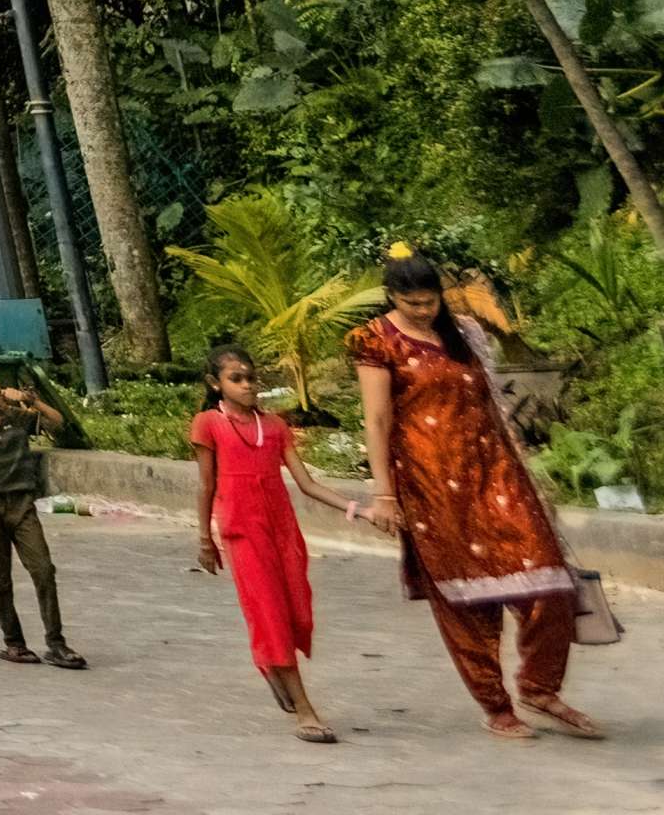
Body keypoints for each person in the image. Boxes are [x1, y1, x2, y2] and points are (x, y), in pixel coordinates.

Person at [353, 249, 601, 741]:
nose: (423, 311)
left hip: (495, 471)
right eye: (412, 303)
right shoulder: (375, 340)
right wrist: (384, 494)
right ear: (392, 297)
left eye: (430, 301)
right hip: (429, 482)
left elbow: (494, 405)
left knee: (548, 579)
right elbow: (378, 419)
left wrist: (530, 476)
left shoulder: (464, 333)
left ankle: (539, 686)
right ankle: (495, 705)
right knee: (465, 599)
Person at [193, 342, 367, 738]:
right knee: (269, 614)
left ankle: (273, 666)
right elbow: (205, 486)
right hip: (242, 530)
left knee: (297, 613)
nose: (247, 386)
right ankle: (305, 709)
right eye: (235, 379)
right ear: (215, 384)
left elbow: (307, 484)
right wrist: (206, 539)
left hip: (282, 528)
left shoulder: (273, 426)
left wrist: (359, 509)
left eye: (251, 378)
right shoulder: (209, 424)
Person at [0, 360, 84, 673]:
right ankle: (14, 643)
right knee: (0, 577)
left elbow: (56, 423)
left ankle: (56, 643)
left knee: (43, 569)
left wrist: (31, 400)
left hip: (22, 503)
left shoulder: (13, 416)